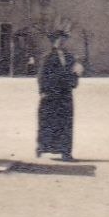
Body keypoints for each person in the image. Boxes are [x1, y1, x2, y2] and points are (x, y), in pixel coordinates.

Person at [36, 29, 81, 161]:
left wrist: (76, 75)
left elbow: (74, 74)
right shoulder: (47, 56)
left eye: (64, 39)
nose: (62, 42)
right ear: (54, 41)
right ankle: (42, 148)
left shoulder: (70, 57)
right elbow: (41, 76)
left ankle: (66, 152)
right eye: (59, 39)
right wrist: (43, 91)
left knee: (66, 123)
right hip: (51, 95)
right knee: (48, 122)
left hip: (65, 94)